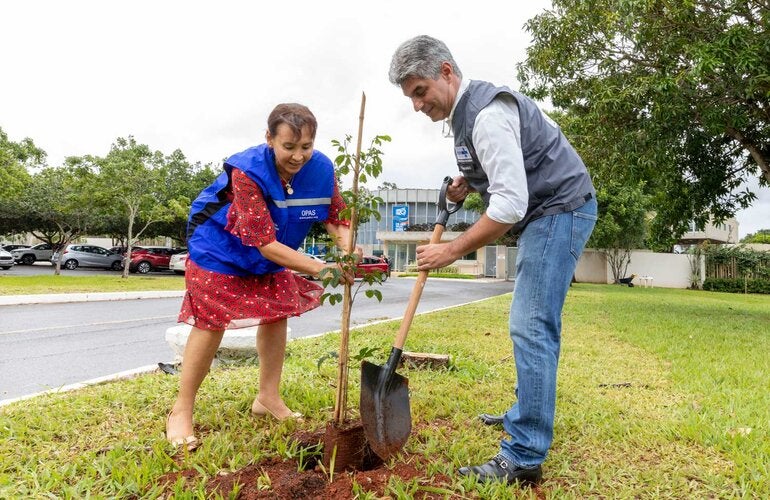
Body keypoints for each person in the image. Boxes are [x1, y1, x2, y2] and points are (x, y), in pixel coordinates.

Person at [389, 36, 597, 485]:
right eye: (410, 98)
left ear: (446, 71)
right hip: (547, 211)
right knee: (532, 321)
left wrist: (451, 250)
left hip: (560, 208)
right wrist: (467, 182)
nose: (417, 105)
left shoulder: (486, 116)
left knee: (532, 323)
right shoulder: (467, 116)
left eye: (420, 91)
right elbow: (504, 169)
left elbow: (509, 205)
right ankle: (526, 411)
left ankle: (524, 455)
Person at [165, 103, 358, 451]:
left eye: (306, 146)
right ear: (269, 138)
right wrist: (323, 269)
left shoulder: (322, 169)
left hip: (273, 246)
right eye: (288, 146)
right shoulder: (248, 172)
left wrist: (347, 250)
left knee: (276, 312)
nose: (298, 156)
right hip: (219, 246)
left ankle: (267, 398)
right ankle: (181, 410)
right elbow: (265, 244)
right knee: (211, 321)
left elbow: (335, 216)